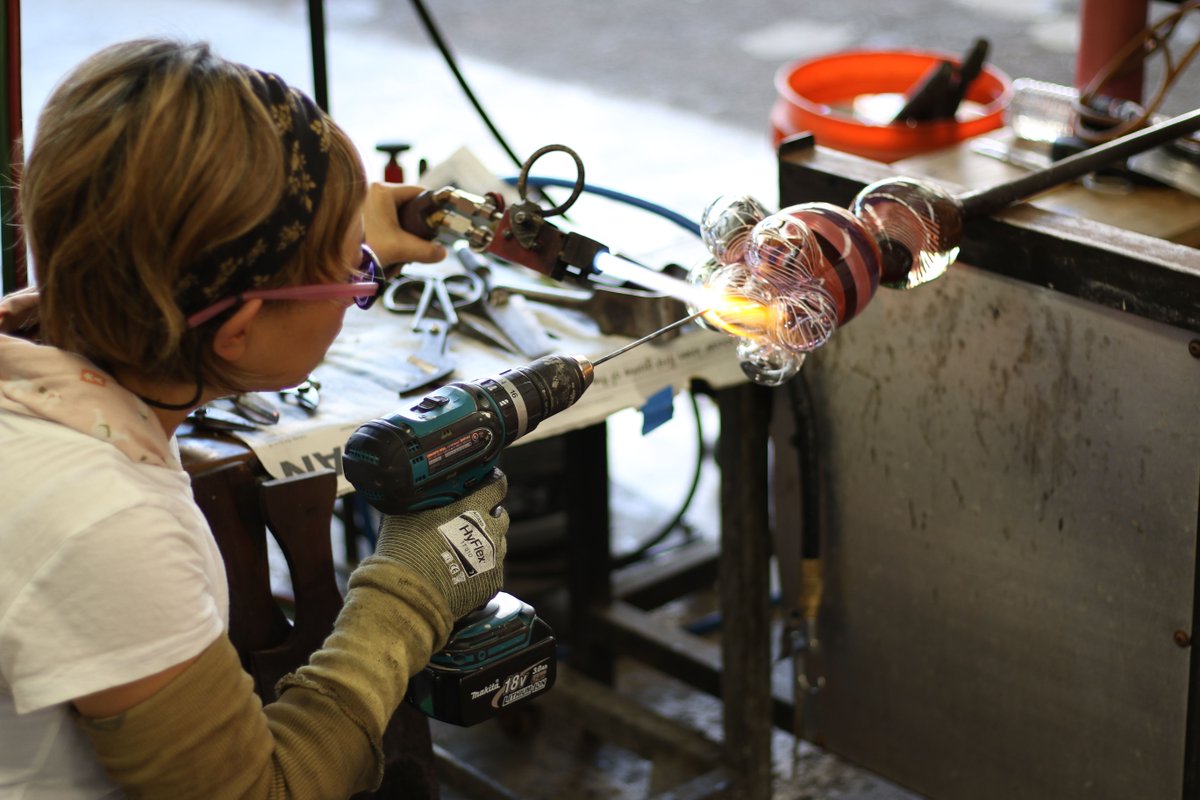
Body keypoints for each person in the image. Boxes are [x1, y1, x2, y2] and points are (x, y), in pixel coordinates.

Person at [0, 38, 510, 798]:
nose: (358, 287)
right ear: (236, 331)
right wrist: (409, 593)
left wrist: (330, 242)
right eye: (353, 278)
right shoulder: (103, 519)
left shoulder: (47, 362)